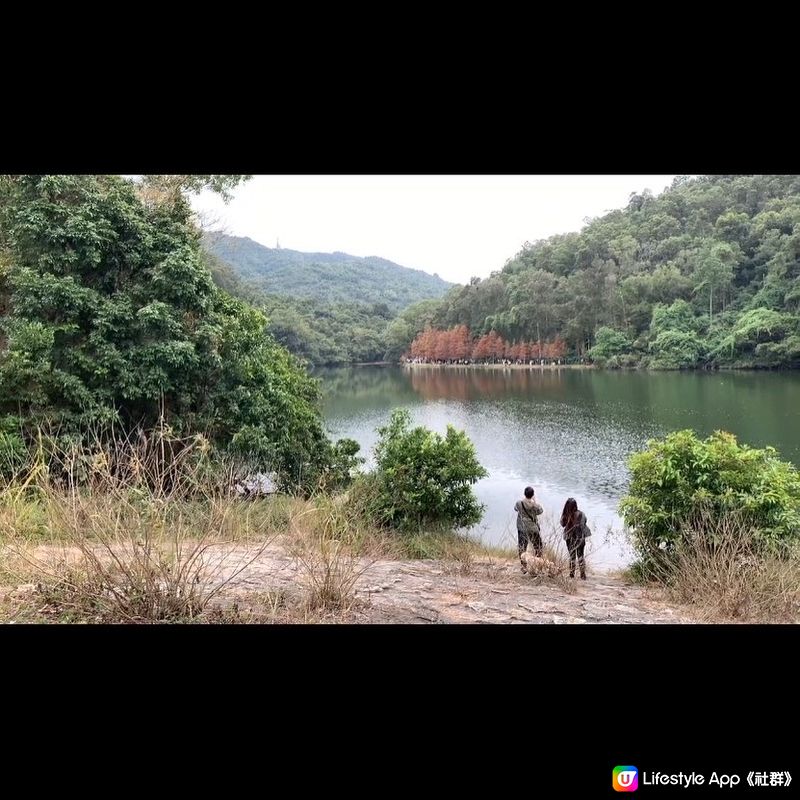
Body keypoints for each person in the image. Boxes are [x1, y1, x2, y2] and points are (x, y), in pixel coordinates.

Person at [514, 486, 543, 573]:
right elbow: (540, 511)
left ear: (524, 494)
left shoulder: (519, 503)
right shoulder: (535, 505)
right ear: (533, 494)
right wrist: (534, 502)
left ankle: (524, 567)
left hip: (522, 528)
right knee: (538, 547)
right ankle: (538, 564)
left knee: (522, 547)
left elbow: (515, 509)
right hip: (533, 529)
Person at [560, 497, 588, 580]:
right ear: (576, 505)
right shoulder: (582, 514)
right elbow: (585, 522)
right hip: (580, 538)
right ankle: (582, 575)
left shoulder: (566, 515)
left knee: (572, 556)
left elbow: (562, 524)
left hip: (570, 538)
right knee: (581, 556)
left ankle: (572, 574)